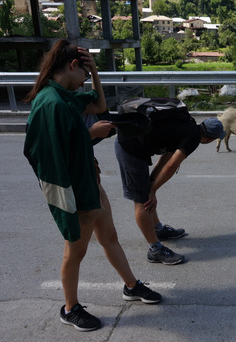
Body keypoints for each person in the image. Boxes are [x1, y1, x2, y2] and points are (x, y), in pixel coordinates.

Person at [23, 39, 162, 332]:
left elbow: (98, 105)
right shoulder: (51, 103)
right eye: (84, 75)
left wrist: (96, 72)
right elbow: (48, 153)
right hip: (74, 189)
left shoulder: (65, 95)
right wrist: (90, 136)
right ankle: (70, 308)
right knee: (75, 251)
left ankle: (132, 286)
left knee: (109, 237)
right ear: (72, 65)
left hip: (90, 180)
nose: (85, 81)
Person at [114, 110, 225, 265]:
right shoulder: (193, 138)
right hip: (130, 147)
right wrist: (152, 191)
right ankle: (155, 249)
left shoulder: (188, 125)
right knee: (142, 200)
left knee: (147, 193)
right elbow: (172, 166)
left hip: (133, 140)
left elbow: (166, 158)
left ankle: (158, 230)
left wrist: (152, 183)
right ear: (210, 139)